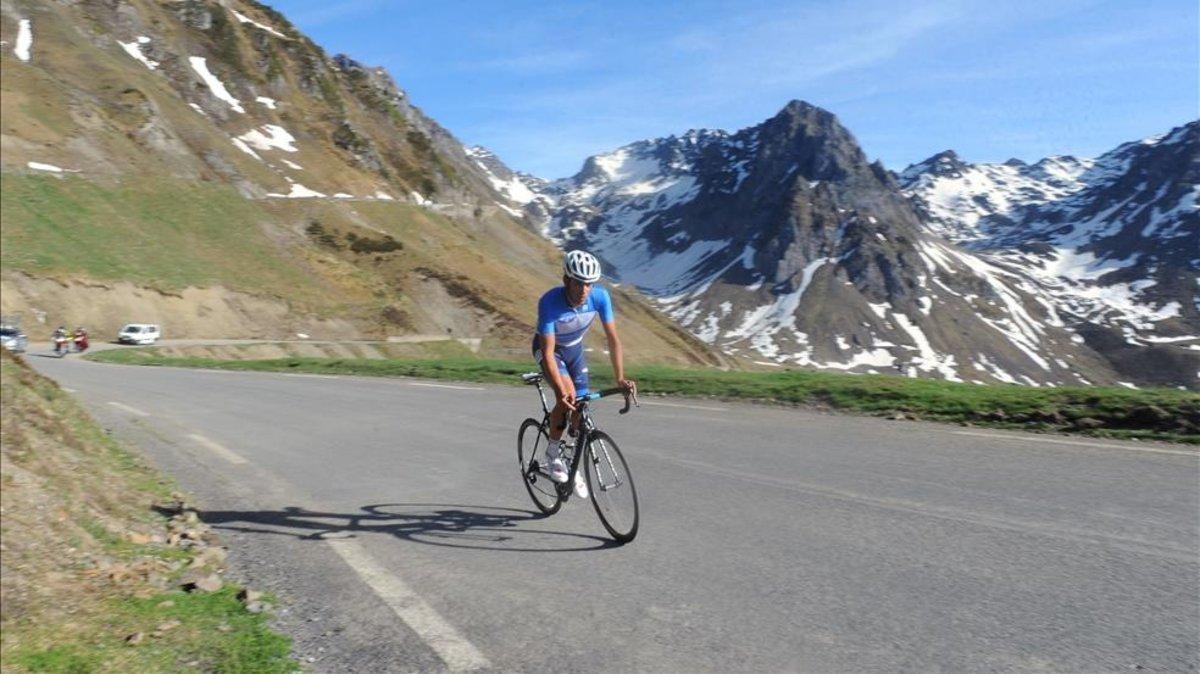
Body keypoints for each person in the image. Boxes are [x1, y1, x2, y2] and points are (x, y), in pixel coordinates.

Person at [533, 250, 636, 498]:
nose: (584, 290)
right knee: (567, 394)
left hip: (574, 351)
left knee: (581, 410)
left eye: (589, 283)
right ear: (567, 280)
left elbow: (613, 339)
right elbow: (547, 353)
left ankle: (571, 462)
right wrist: (560, 392)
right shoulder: (549, 302)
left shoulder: (600, 298)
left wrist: (620, 378)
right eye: (579, 282)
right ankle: (552, 453)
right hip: (549, 350)